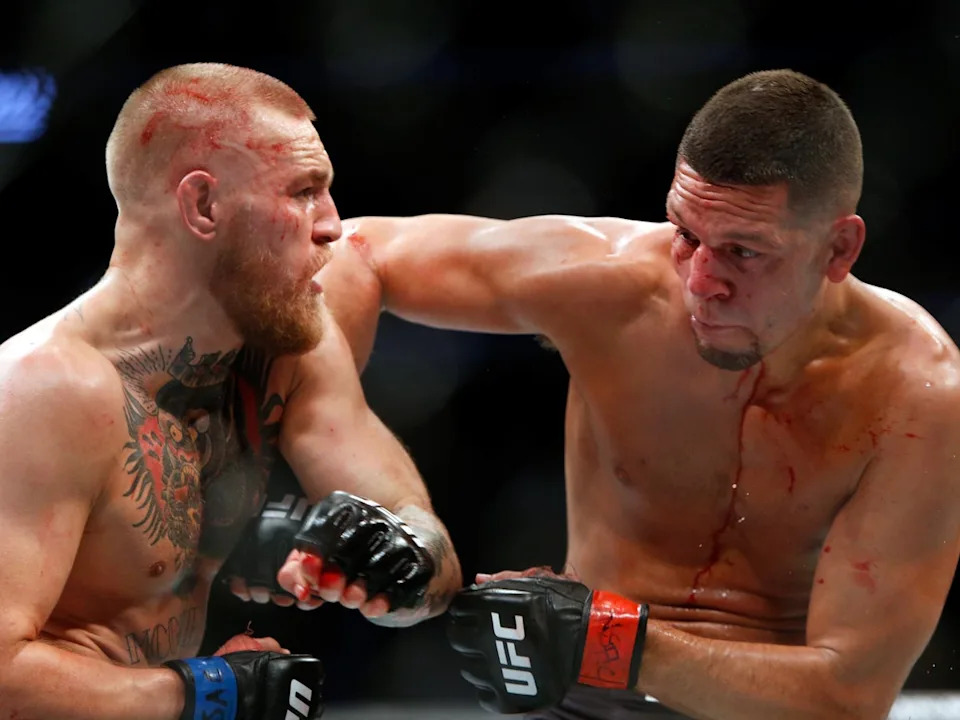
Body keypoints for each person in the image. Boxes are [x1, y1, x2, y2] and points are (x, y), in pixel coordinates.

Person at [290, 69, 960, 719]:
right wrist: (341, 449)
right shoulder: (612, 285)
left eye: (744, 252)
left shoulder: (916, 396)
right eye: (687, 235)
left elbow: (848, 698)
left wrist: (602, 639)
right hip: (577, 701)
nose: (700, 281)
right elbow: (353, 251)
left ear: (838, 248)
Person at [0, 62, 462, 720]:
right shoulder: (41, 390)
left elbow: (429, 555)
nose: (333, 225)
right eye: (303, 192)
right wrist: (210, 693)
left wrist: (394, 557)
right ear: (204, 206)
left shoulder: (289, 348)